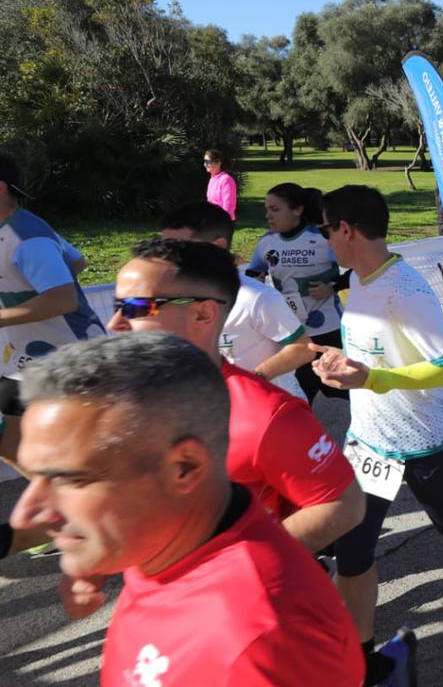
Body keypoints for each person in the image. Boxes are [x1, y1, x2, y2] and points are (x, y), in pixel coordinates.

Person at [9, 332, 364, 683]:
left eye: (72, 479)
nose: (25, 515)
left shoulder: (262, 637)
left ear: (184, 468)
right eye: (36, 476)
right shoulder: (160, 549)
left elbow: (341, 503)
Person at [310, 184, 443, 677]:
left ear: (346, 230)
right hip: (369, 442)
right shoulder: (358, 279)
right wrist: (346, 365)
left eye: (326, 229)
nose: (325, 240)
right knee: (353, 549)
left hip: (423, 440)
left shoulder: (404, 291)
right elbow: (376, 353)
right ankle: (361, 660)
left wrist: (374, 378)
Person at [109, 238, 364, 553]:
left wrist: (233, 564)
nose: (115, 323)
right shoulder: (132, 403)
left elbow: (344, 504)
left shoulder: (265, 414)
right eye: (116, 306)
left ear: (203, 314)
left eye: (134, 308)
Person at [161, 201, 315, 400]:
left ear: (217, 247)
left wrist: (251, 381)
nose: (167, 258)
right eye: (164, 248)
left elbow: (303, 348)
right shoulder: (176, 295)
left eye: (179, 249)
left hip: (268, 410)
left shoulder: (256, 297)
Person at [0, 154, 105, 419]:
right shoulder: (24, 226)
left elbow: (63, 300)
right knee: (16, 441)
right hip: (29, 358)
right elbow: (77, 261)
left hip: (73, 359)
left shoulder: (26, 236)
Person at [249, 183, 345, 404]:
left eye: (275, 209)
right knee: (299, 396)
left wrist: (332, 286)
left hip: (329, 329)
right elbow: (255, 272)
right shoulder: (267, 242)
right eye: (267, 210)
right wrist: (257, 280)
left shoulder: (322, 238)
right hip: (293, 333)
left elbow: (355, 271)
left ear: (297, 210)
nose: (268, 216)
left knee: (343, 388)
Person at [203, 148, 237, 220]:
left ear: (218, 162)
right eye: (204, 161)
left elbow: (229, 206)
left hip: (223, 222)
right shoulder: (212, 179)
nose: (205, 164)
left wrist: (221, 222)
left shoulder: (226, 180)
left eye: (207, 161)